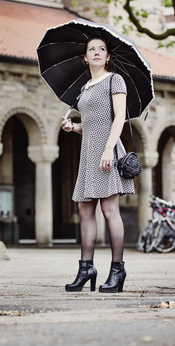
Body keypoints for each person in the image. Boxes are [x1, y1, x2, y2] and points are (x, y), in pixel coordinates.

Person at [61, 37, 134, 293]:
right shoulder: (86, 87)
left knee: (110, 210)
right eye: (91, 49)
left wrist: (107, 150)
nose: (96, 52)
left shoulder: (115, 80)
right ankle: (86, 268)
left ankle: (117, 269)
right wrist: (73, 127)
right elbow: (91, 124)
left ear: (108, 56)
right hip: (89, 153)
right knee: (84, 210)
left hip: (108, 151)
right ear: (85, 57)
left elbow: (119, 118)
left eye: (101, 49)